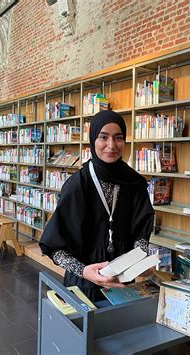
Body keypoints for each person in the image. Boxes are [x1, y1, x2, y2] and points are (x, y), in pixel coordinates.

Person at [39, 110, 155, 302]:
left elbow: (141, 232)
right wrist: (84, 271)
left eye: (118, 138)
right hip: (83, 284)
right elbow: (55, 248)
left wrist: (140, 258)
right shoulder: (77, 185)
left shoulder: (135, 183)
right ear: (93, 140)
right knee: (86, 330)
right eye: (103, 137)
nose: (111, 145)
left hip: (123, 281)